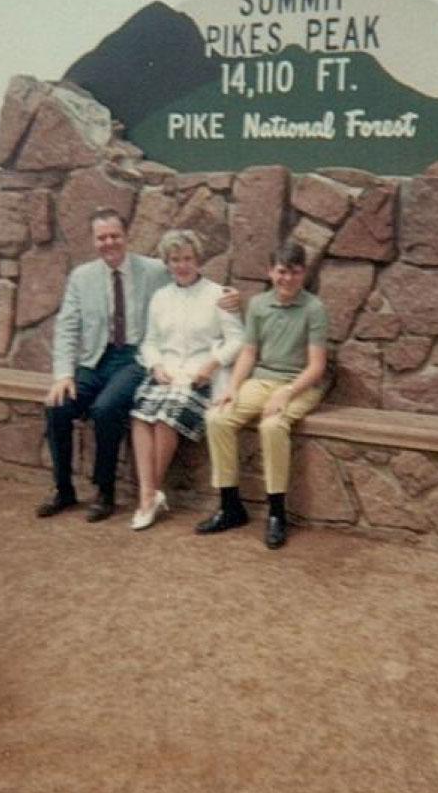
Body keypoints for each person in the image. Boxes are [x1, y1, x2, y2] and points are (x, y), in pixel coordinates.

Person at [37, 208, 238, 523]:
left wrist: (233, 296)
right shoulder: (81, 277)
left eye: (114, 235)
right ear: (94, 241)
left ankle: (105, 492)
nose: (109, 243)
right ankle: (63, 489)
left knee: (107, 409)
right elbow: (67, 327)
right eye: (102, 237)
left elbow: (191, 275)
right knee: (57, 406)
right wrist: (63, 375)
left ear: (126, 236)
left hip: (133, 358)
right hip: (93, 360)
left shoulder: (155, 269)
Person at [198, 241, 329, 550]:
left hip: (300, 384)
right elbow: (248, 351)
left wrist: (286, 393)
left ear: (303, 273)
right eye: (282, 272)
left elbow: (317, 367)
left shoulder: (314, 309)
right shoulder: (258, 305)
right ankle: (230, 506)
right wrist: (233, 387)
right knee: (217, 418)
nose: (287, 279)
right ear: (271, 272)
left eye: (295, 272)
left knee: (272, 426)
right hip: (261, 380)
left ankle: (276, 513)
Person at [129, 230, 244, 531]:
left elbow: (237, 340)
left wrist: (212, 364)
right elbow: (150, 341)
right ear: (167, 263)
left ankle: (149, 496)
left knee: (166, 418)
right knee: (140, 417)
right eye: (175, 259)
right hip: (166, 372)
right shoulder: (161, 297)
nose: (182, 265)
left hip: (199, 376)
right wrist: (155, 365)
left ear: (198, 260)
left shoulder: (218, 295)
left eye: (188, 258)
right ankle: (149, 494)